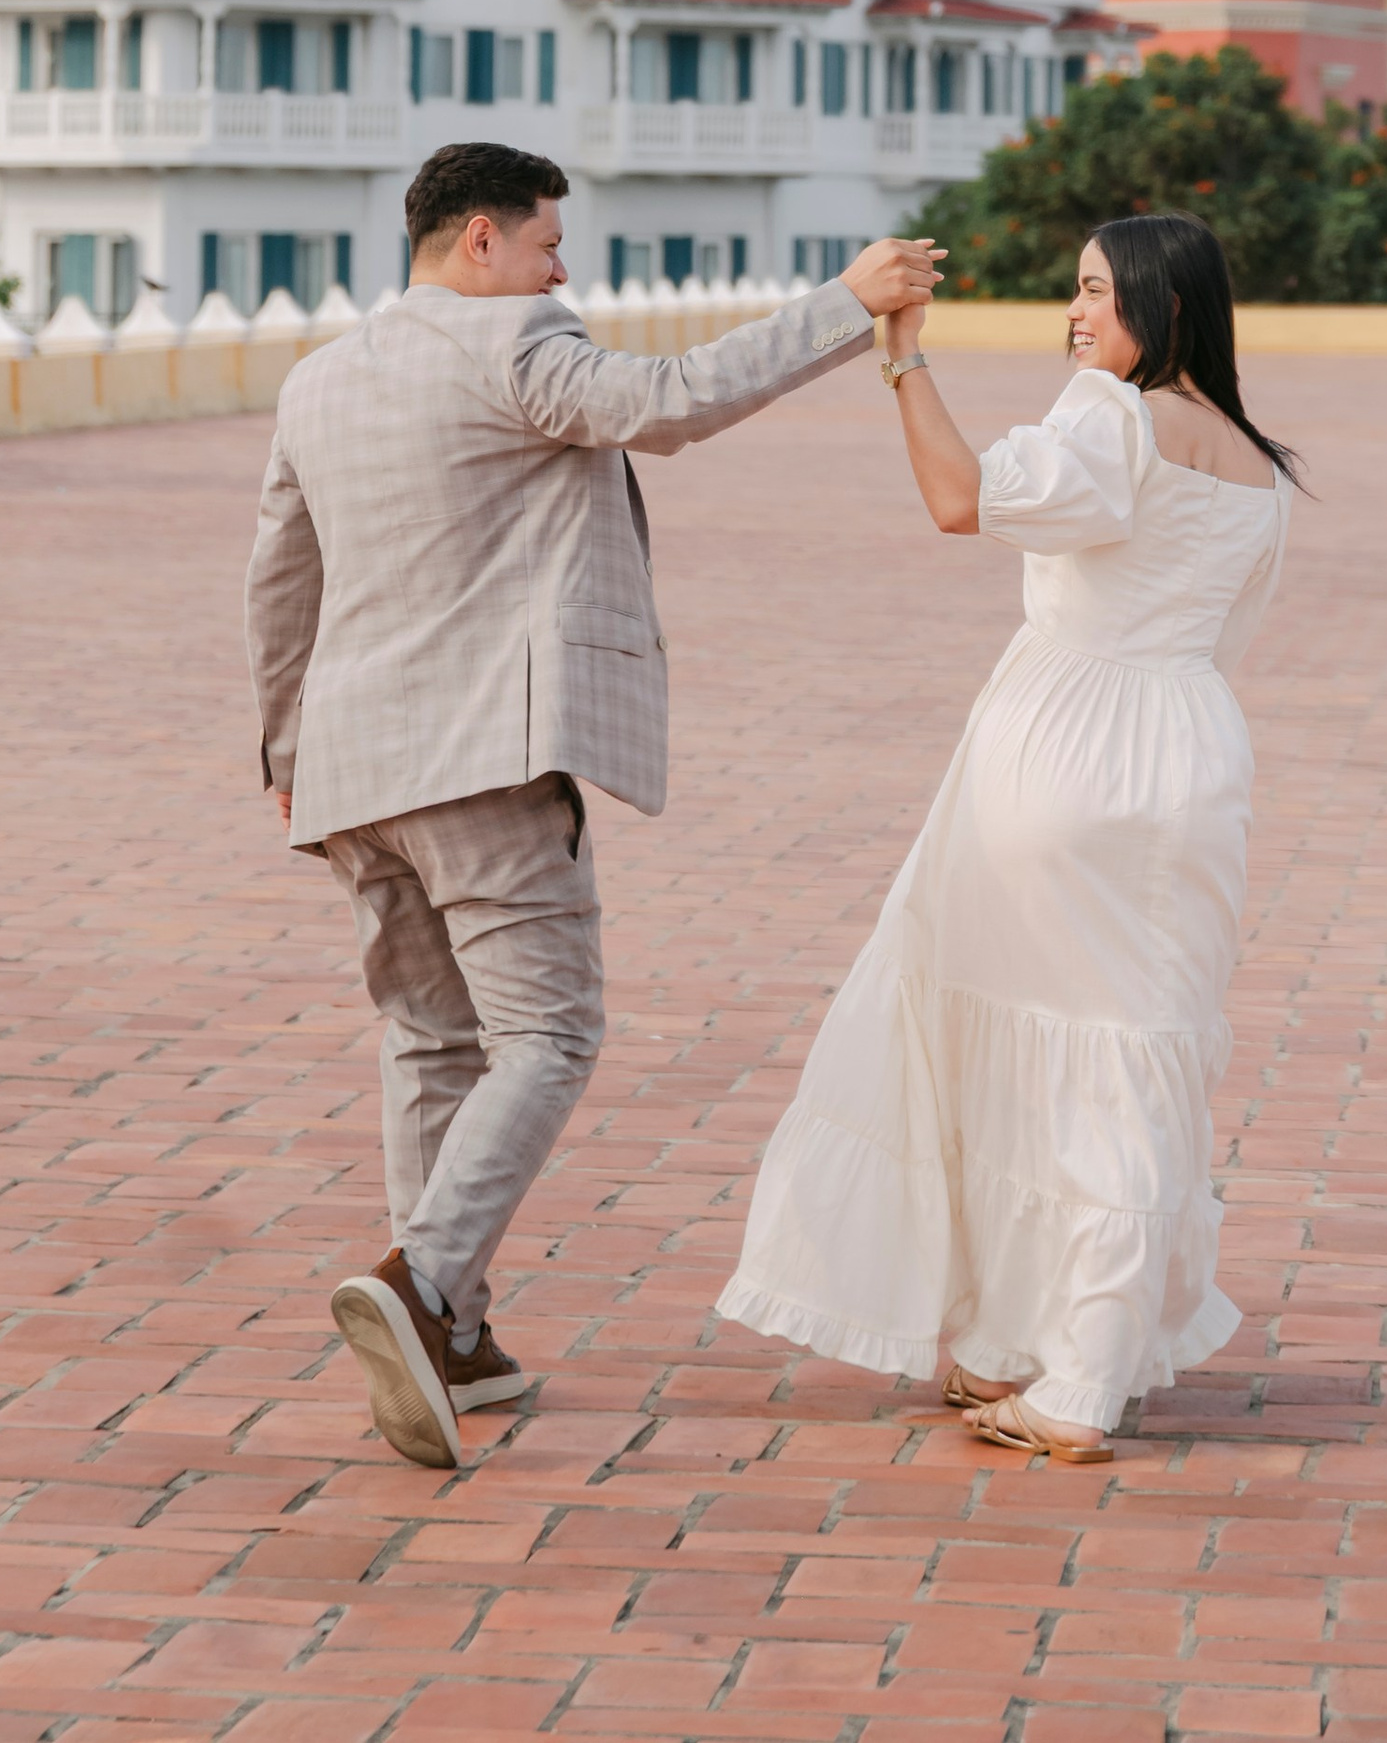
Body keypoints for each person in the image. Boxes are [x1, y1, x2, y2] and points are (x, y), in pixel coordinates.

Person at [245, 140, 941, 1470]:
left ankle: (454, 1331)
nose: (565, 264)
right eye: (549, 239)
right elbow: (671, 398)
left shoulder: (316, 379)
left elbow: (279, 567)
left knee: (430, 1042)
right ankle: (423, 1275)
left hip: (347, 767)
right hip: (482, 757)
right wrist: (849, 302)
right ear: (481, 243)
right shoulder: (515, 339)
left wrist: (283, 736)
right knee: (551, 1034)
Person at [719, 211, 1298, 1463]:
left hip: (1061, 740)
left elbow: (956, 500)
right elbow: (1219, 633)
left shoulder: (1110, 413)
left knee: (1002, 1027)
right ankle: (1029, 1343)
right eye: (1074, 292)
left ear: (1162, 295)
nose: (1077, 315)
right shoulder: (1257, 462)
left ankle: (1067, 1379)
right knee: (1131, 1048)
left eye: (1096, 290)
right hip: (1190, 751)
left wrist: (903, 357)